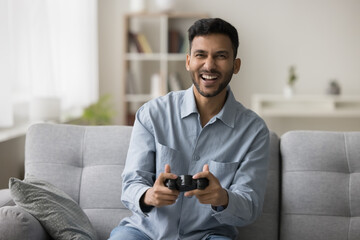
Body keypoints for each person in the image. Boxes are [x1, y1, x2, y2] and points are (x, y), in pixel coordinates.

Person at [109, 18, 270, 240]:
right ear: (188, 61)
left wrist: (222, 198)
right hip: (145, 232)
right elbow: (130, 185)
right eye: (200, 55)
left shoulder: (254, 131)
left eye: (221, 56)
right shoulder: (152, 114)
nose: (209, 65)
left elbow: (250, 207)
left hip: (209, 235)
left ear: (236, 65)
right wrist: (150, 195)